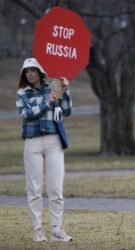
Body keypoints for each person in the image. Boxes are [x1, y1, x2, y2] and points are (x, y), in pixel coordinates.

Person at [16, 58, 73, 242]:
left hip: (53, 142)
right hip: (32, 143)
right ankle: (38, 230)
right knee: (34, 189)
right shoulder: (22, 93)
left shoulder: (54, 85)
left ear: (40, 71)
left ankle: (57, 230)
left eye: (33, 70)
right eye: (27, 71)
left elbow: (67, 111)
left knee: (56, 188)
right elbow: (26, 113)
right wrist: (46, 103)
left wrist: (65, 91)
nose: (30, 74)